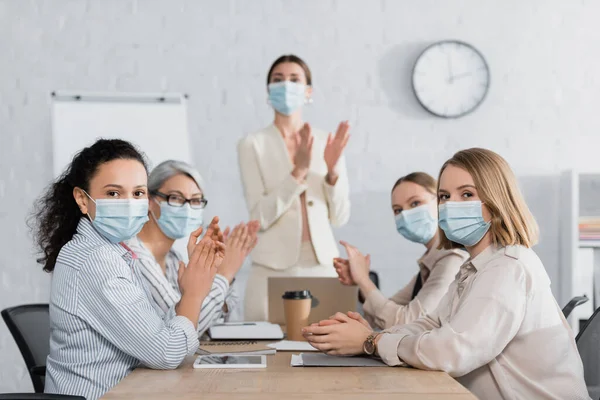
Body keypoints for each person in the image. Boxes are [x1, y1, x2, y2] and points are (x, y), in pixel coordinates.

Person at [303, 148, 590, 400]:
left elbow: (453, 351)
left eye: (466, 194)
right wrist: (367, 338)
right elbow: (429, 323)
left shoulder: (509, 267)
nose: (450, 205)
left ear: (496, 199)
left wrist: (371, 342)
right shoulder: (474, 267)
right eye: (444, 196)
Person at [32, 139, 224, 400]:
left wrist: (190, 288)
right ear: (82, 199)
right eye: (113, 193)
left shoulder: (113, 252)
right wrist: (193, 295)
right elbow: (166, 352)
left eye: (138, 193)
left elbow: (154, 333)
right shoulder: (95, 260)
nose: (129, 203)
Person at [238, 54, 351, 320]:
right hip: (271, 267)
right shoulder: (253, 144)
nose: (286, 85)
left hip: (323, 266)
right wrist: (298, 171)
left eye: (294, 79)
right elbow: (259, 217)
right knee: (266, 352)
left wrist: (333, 172)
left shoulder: (328, 141)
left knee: (327, 350)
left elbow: (340, 216)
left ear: (308, 91)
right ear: (268, 91)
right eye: (278, 80)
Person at [128, 160, 258, 337]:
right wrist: (224, 274)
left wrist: (212, 273)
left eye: (195, 200)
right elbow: (185, 328)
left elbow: (214, 323)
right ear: (149, 201)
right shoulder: (135, 257)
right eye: (175, 198)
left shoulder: (174, 258)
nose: (187, 208)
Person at [334, 172, 467, 329]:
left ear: (440, 201)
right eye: (397, 210)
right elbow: (383, 317)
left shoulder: (453, 259)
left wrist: (364, 279)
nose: (405, 215)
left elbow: (406, 323)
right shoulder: (430, 262)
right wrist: (360, 283)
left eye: (415, 203)